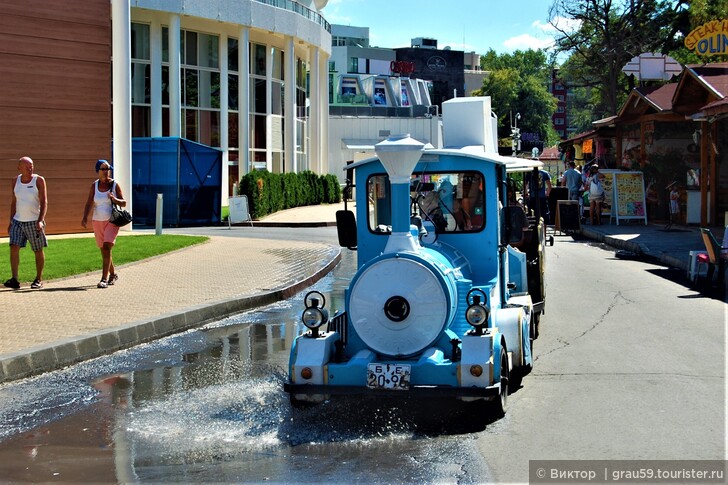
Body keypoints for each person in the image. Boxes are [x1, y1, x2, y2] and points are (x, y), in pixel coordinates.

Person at [81, 159, 127, 288]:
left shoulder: (114, 185)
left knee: (107, 248)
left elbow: (124, 203)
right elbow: (89, 202)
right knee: (104, 250)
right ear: (98, 171)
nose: (106, 171)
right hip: (97, 221)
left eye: (108, 169)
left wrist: (114, 199)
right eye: (103, 169)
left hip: (112, 221)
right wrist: (84, 217)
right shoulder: (94, 185)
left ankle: (103, 279)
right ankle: (113, 274)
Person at [4, 156, 48, 290]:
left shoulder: (39, 180)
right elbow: (14, 202)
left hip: (34, 222)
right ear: (19, 168)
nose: (30, 168)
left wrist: (40, 220)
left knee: (37, 250)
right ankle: (15, 279)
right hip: (18, 221)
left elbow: (44, 201)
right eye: (27, 167)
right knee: (13, 247)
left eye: (32, 166)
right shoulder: (15, 181)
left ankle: (38, 279)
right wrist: (11, 221)